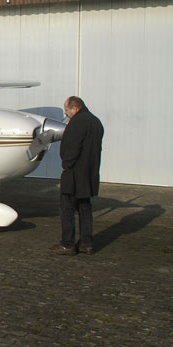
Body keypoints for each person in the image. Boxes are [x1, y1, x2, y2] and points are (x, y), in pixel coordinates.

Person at [52, 96, 104, 255]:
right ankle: (86, 243)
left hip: (74, 174)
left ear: (74, 108)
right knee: (85, 208)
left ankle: (67, 244)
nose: (66, 114)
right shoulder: (96, 122)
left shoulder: (77, 122)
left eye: (67, 110)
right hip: (89, 174)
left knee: (67, 209)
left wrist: (66, 165)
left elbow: (73, 148)